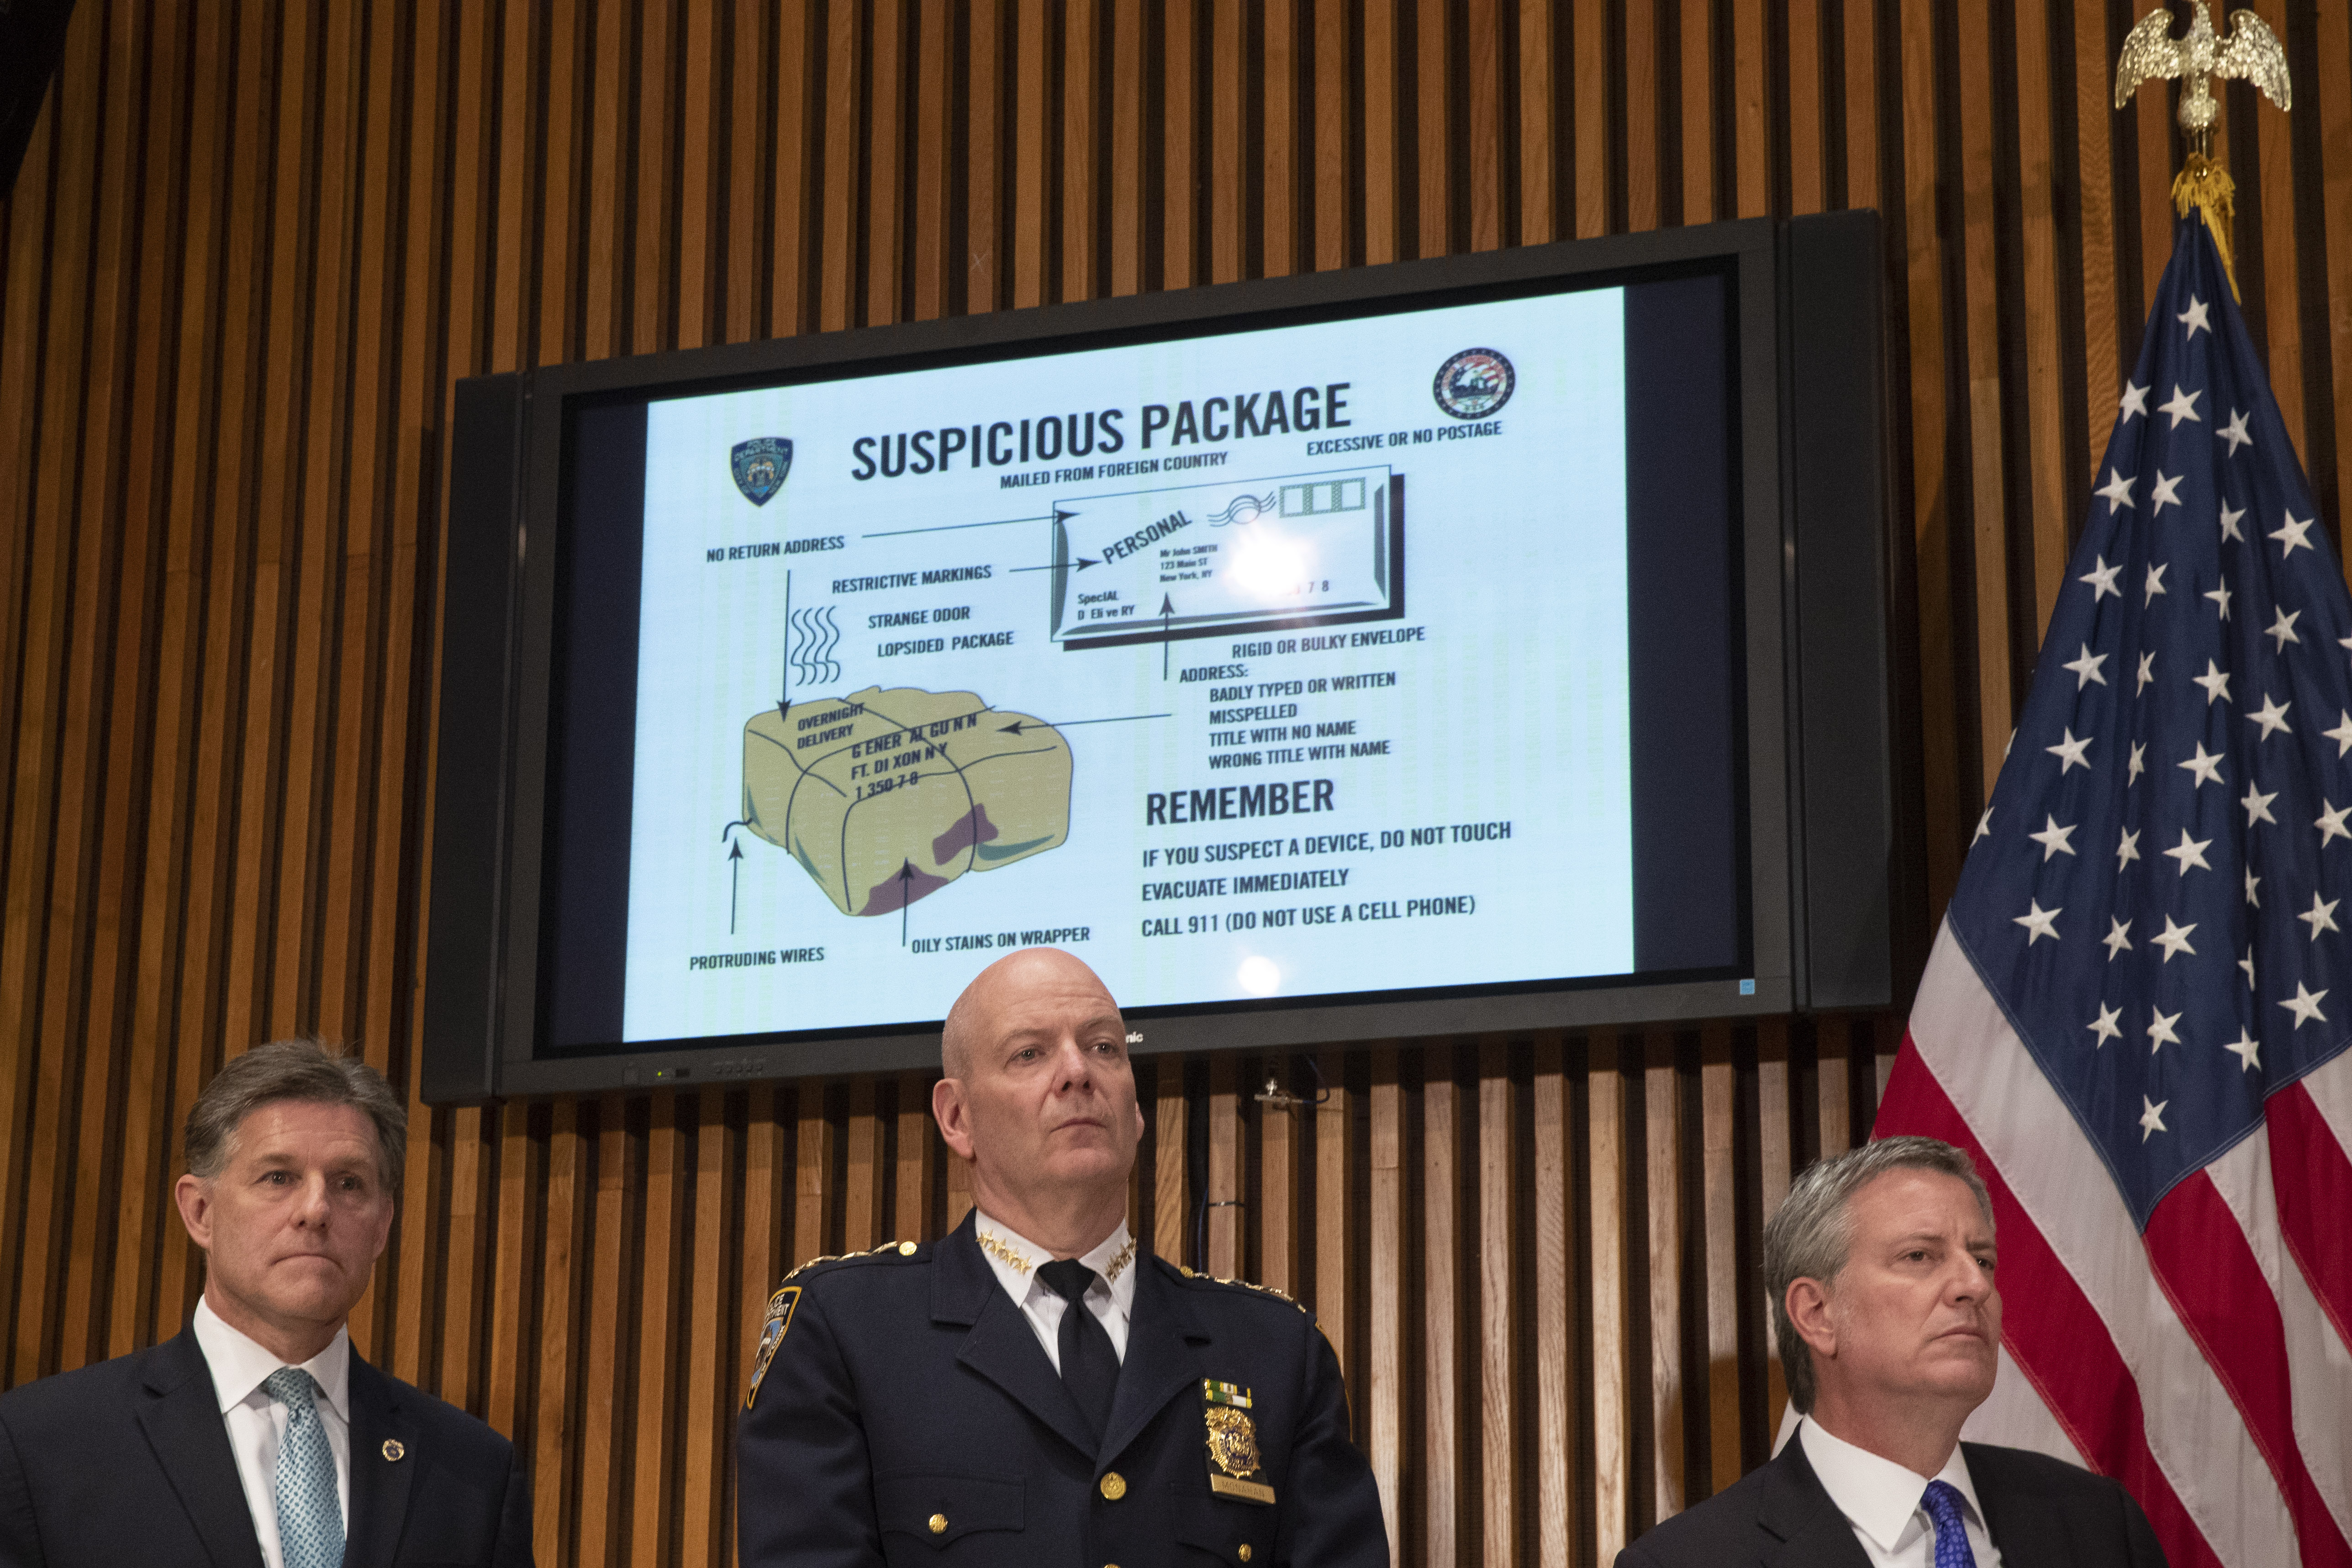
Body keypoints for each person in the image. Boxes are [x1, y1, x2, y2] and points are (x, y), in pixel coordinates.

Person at [738, 946, 1388, 1566]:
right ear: (957, 1117)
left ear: (1135, 1110)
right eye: (1029, 1053)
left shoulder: (1274, 1350)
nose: (1078, 1071)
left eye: (1104, 1047)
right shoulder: (848, 1331)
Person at [0, 1040, 533, 1568]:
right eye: (279, 1177)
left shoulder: (473, 1472)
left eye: (349, 1183)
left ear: (381, 1227)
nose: (317, 1209)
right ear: (201, 1211)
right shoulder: (40, 1445)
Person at [1617, 1135, 2166, 1567]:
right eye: (1919, 1256)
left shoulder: (2098, 1524)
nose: (1973, 1285)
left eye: (1982, 1259)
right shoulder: (1686, 1561)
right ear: (1816, 1314)